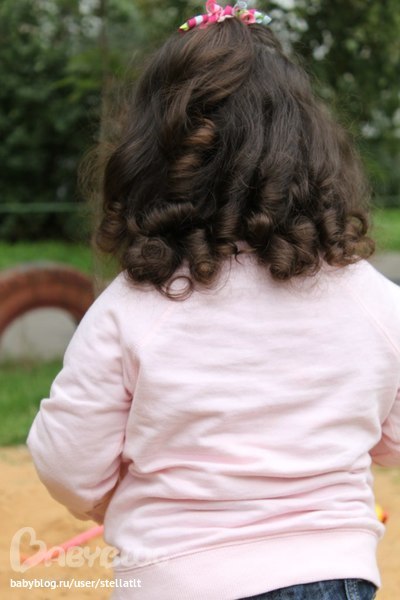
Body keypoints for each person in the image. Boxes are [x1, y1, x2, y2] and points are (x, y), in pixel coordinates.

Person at [27, 2, 400, 599]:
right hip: (333, 576)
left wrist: (104, 500)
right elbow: (393, 440)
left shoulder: (135, 307)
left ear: (150, 159)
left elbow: (68, 461)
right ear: (313, 151)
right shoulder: (373, 300)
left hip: (178, 579)